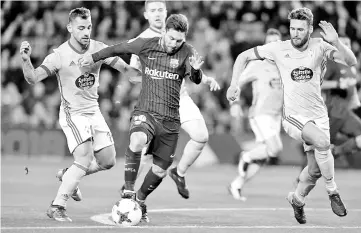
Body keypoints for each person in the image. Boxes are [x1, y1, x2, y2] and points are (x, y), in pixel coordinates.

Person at [227, 7, 357, 224]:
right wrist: (234, 84)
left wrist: (336, 42)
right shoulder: (278, 48)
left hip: (319, 115)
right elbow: (243, 56)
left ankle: (297, 199)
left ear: (310, 30)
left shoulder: (320, 46)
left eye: (300, 29)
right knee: (323, 142)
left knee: (314, 171)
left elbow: (351, 61)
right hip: (293, 117)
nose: (295, 33)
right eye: (292, 28)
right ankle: (333, 192)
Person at [80, 13, 204, 223]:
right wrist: (93, 57)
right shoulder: (145, 44)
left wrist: (198, 72)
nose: (174, 44)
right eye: (171, 38)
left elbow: (196, 79)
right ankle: (128, 192)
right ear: (164, 31)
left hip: (171, 120)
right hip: (146, 112)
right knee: (137, 141)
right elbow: (116, 48)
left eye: (179, 40)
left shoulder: (188, 52)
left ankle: (140, 198)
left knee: (159, 170)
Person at [20, 7, 141, 222]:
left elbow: (127, 72)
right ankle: (57, 205)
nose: (86, 32)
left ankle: (68, 175)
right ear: (70, 28)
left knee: (108, 160)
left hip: (93, 111)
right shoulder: (59, 55)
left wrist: (142, 71)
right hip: (72, 113)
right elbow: (33, 78)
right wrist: (26, 60)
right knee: (84, 157)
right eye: (81, 28)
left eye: (89, 27)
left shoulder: (98, 49)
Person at [120, 0, 220, 200]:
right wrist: (154, 78)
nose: (157, 14)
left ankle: (179, 172)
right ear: (145, 14)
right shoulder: (142, 40)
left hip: (180, 98)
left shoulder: (177, 36)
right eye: (152, 10)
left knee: (201, 136)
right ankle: (128, 192)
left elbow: (191, 68)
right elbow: (132, 74)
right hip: (154, 101)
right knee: (146, 153)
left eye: (160, 10)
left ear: (166, 13)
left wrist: (206, 79)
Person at [228, 29, 283, 201]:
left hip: (276, 115)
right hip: (260, 114)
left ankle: (236, 185)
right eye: (270, 42)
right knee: (275, 148)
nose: (273, 45)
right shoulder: (257, 65)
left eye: (277, 42)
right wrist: (234, 97)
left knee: (264, 158)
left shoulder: (285, 66)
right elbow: (238, 81)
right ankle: (246, 155)